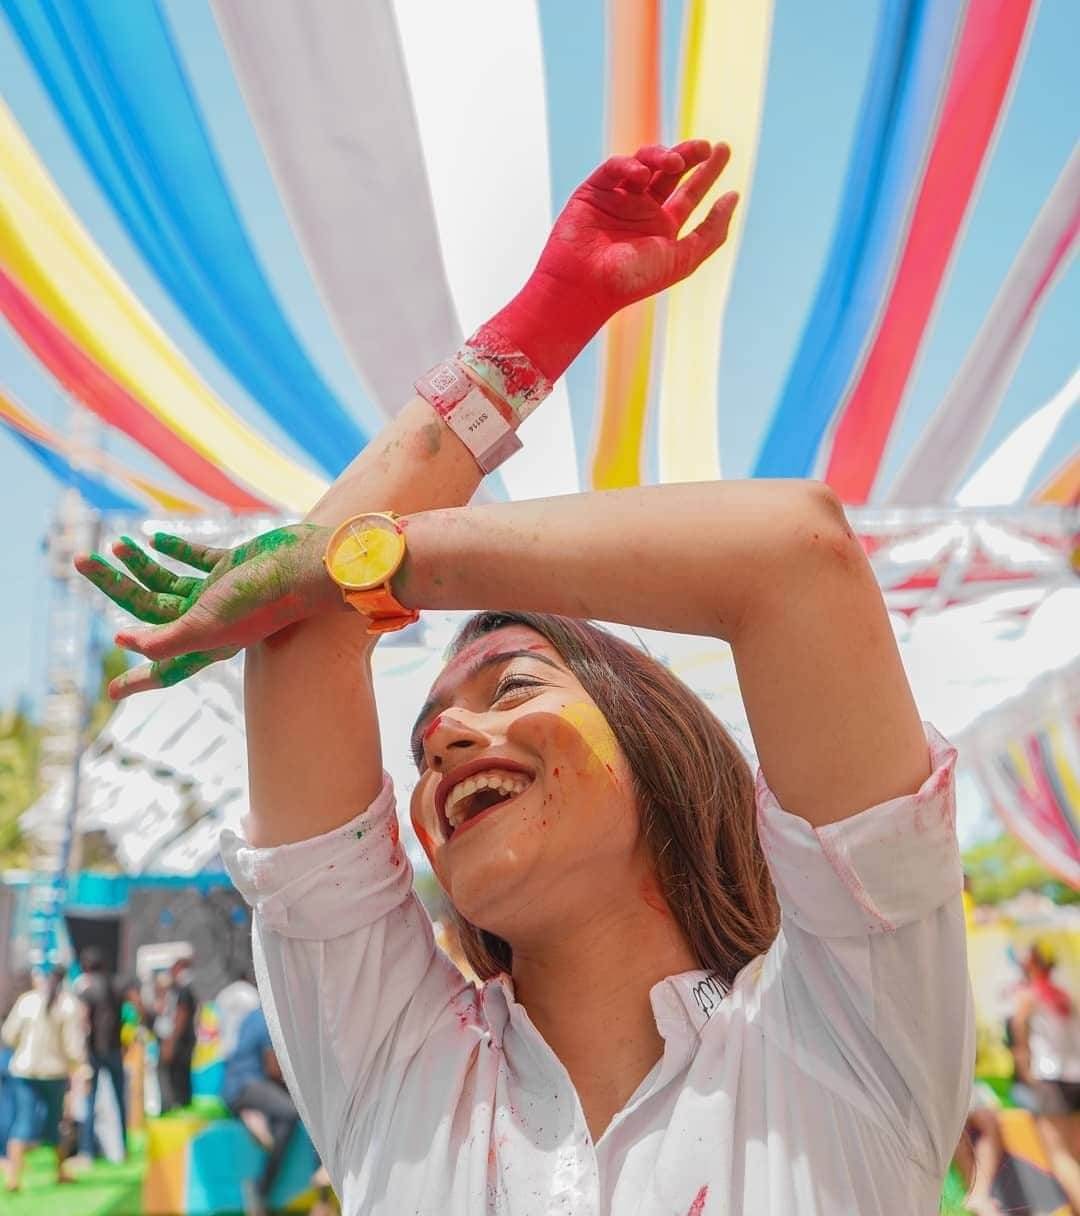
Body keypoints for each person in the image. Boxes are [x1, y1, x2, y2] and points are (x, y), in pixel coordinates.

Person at [79, 141, 974, 1214]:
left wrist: (359, 562)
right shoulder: (393, 1068)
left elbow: (795, 555)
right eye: (424, 744)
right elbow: (300, 635)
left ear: (658, 754)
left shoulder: (847, 1044)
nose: (447, 741)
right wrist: (538, 326)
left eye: (508, 688)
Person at [1, 965, 84, 1190]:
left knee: (23, 1120)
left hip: (24, 1070)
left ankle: (13, 1176)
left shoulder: (27, 1001)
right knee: (55, 1121)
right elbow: (74, 1045)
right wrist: (78, 1067)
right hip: (53, 1072)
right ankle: (59, 1170)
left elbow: (8, 1034)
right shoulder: (67, 1005)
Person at [1011, 944, 1080, 1210]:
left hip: (1050, 1077)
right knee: (1073, 1154)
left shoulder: (1028, 996)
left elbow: (1019, 1035)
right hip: (1074, 1076)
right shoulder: (1064, 995)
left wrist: (1025, 1071)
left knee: (1060, 1156)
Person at [223, 1005, 299, 1216]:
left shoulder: (252, 1014)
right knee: (291, 1112)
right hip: (247, 1086)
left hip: (234, 1088)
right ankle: (261, 1190)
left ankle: (254, 1117)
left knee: (282, 1111)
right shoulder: (271, 1017)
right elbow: (273, 1069)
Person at [73, 946, 126, 1160]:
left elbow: (83, 1020)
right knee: (120, 1099)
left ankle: (87, 1150)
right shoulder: (115, 985)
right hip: (114, 1048)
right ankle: (122, 1148)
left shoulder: (86, 988)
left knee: (89, 1100)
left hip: (94, 1050)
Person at [154, 957, 197, 1112]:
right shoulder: (176, 991)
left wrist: (171, 1042)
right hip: (177, 1039)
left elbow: (181, 1016)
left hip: (180, 1042)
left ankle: (177, 1105)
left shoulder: (184, 991)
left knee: (178, 1075)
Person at [215, 965, 261, 1061]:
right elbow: (257, 1013)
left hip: (225, 1050)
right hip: (248, 1049)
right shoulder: (248, 991)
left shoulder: (223, 994)